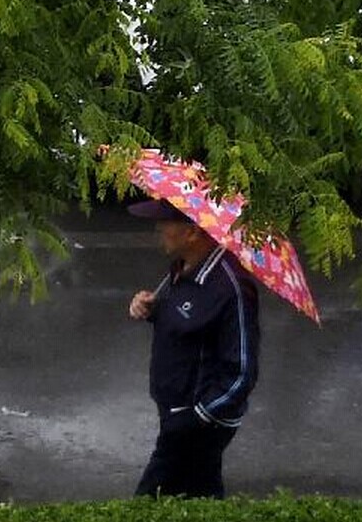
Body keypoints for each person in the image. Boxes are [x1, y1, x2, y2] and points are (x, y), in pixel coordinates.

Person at [127, 198, 261, 499]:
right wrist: (152, 310)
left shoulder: (232, 289)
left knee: (148, 501)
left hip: (197, 421)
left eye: (166, 222)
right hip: (175, 411)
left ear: (192, 232)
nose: (159, 229)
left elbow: (242, 372)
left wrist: (195, 418)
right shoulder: (182, 269)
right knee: (201, 495)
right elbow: (188, 322)